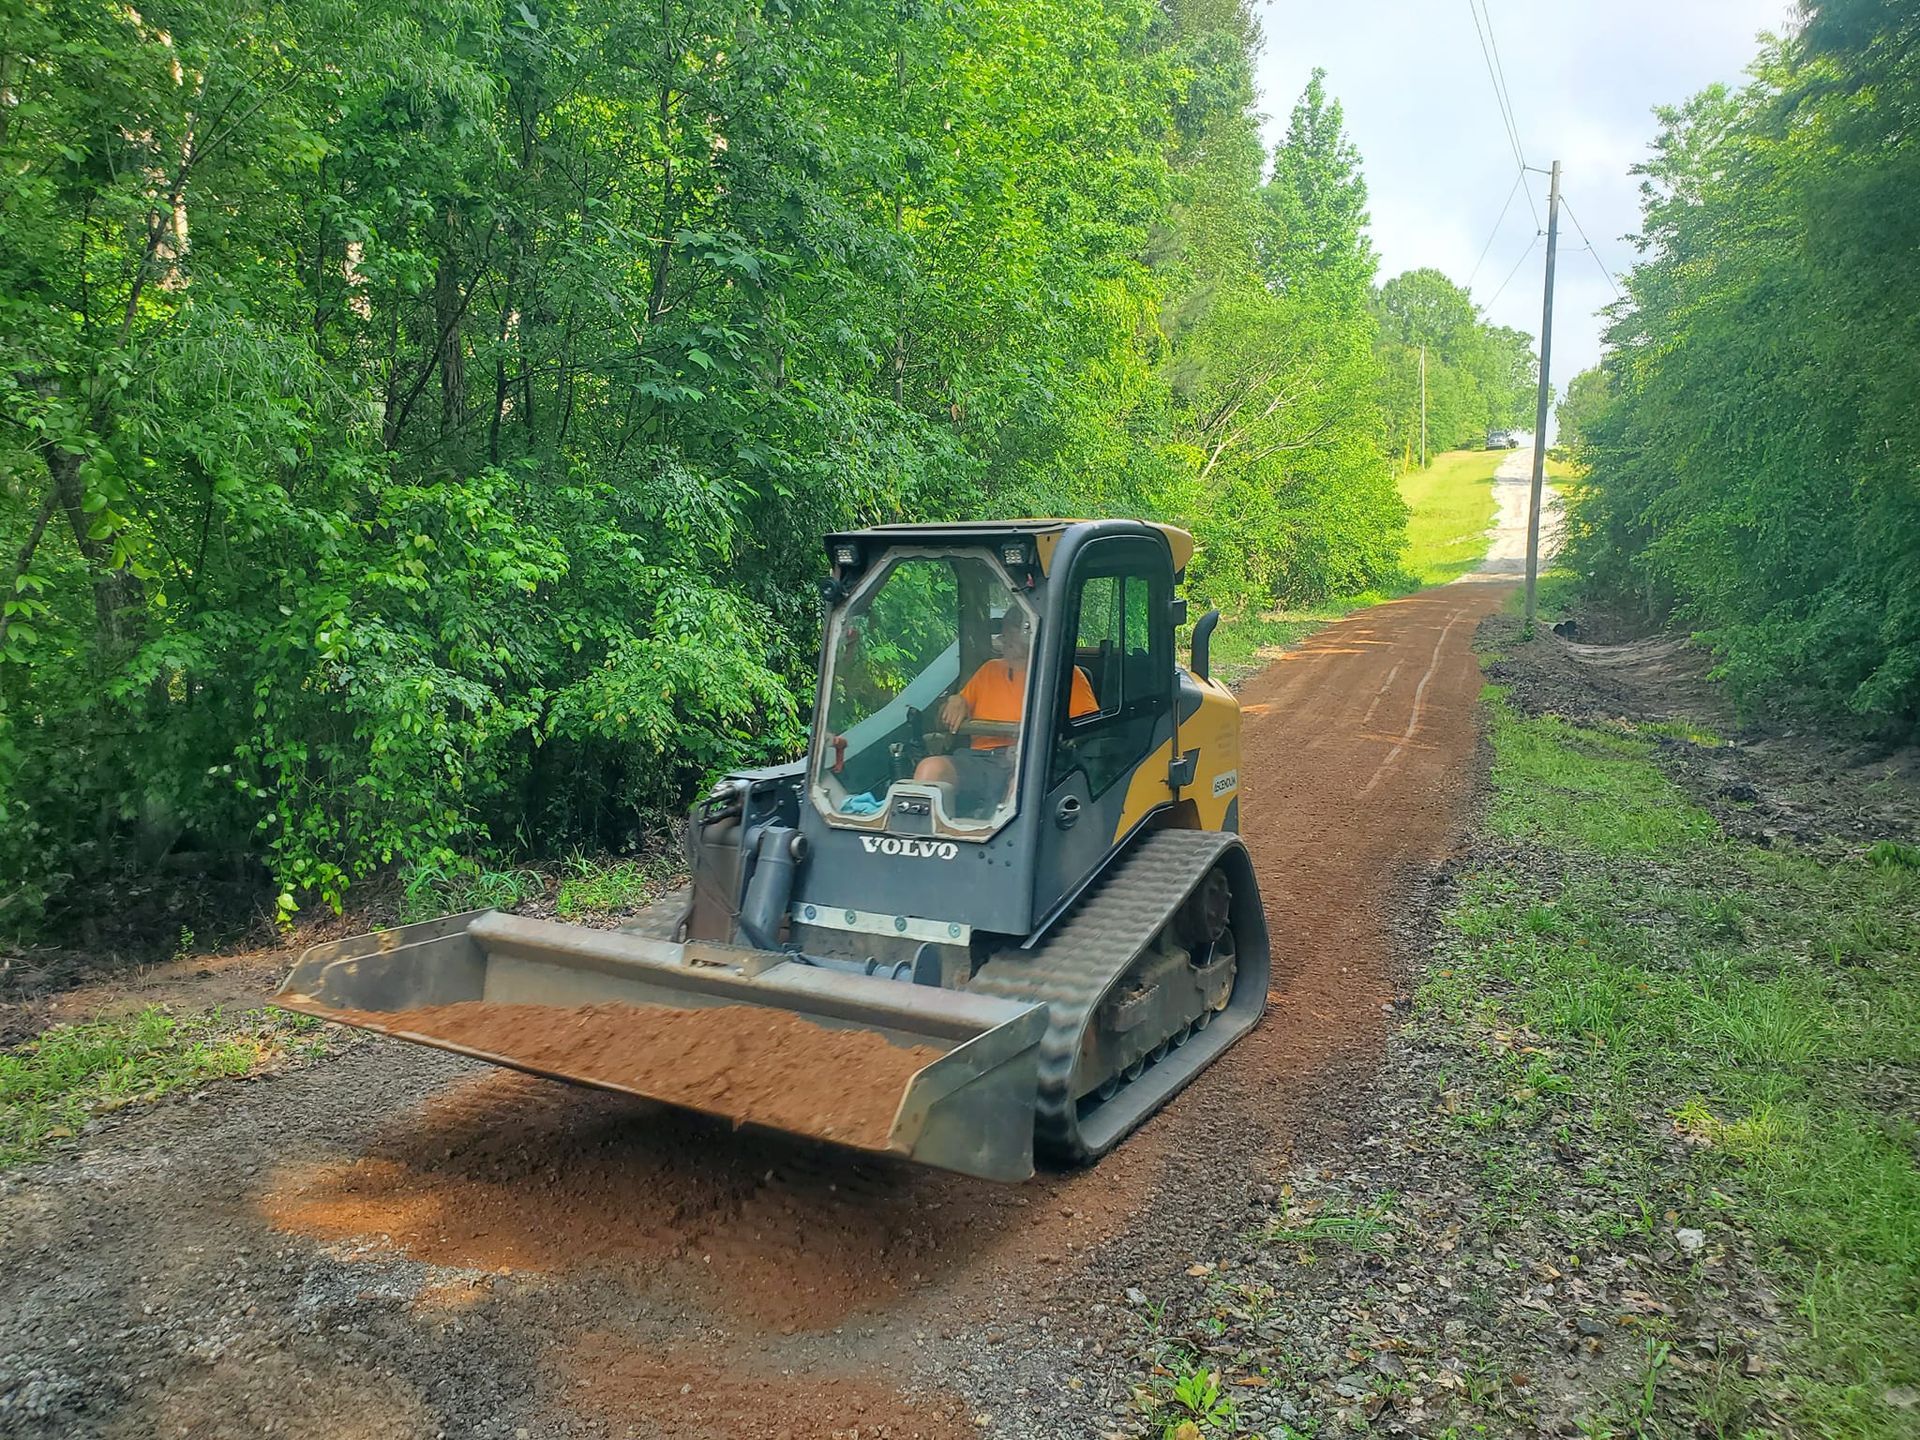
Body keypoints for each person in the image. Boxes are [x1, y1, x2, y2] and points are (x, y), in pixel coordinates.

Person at [913, 609, 1097, 814]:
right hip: (980, 760)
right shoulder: (989, 670)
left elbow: (1088, 728)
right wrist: (955, 702)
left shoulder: (1068, 676)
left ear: (1037, 639)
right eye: (1006, 640)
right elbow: (944, 720)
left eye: (1014, 642)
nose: (1008, 647)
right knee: (931, 769)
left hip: (1034, 759)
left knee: (1021, 786)